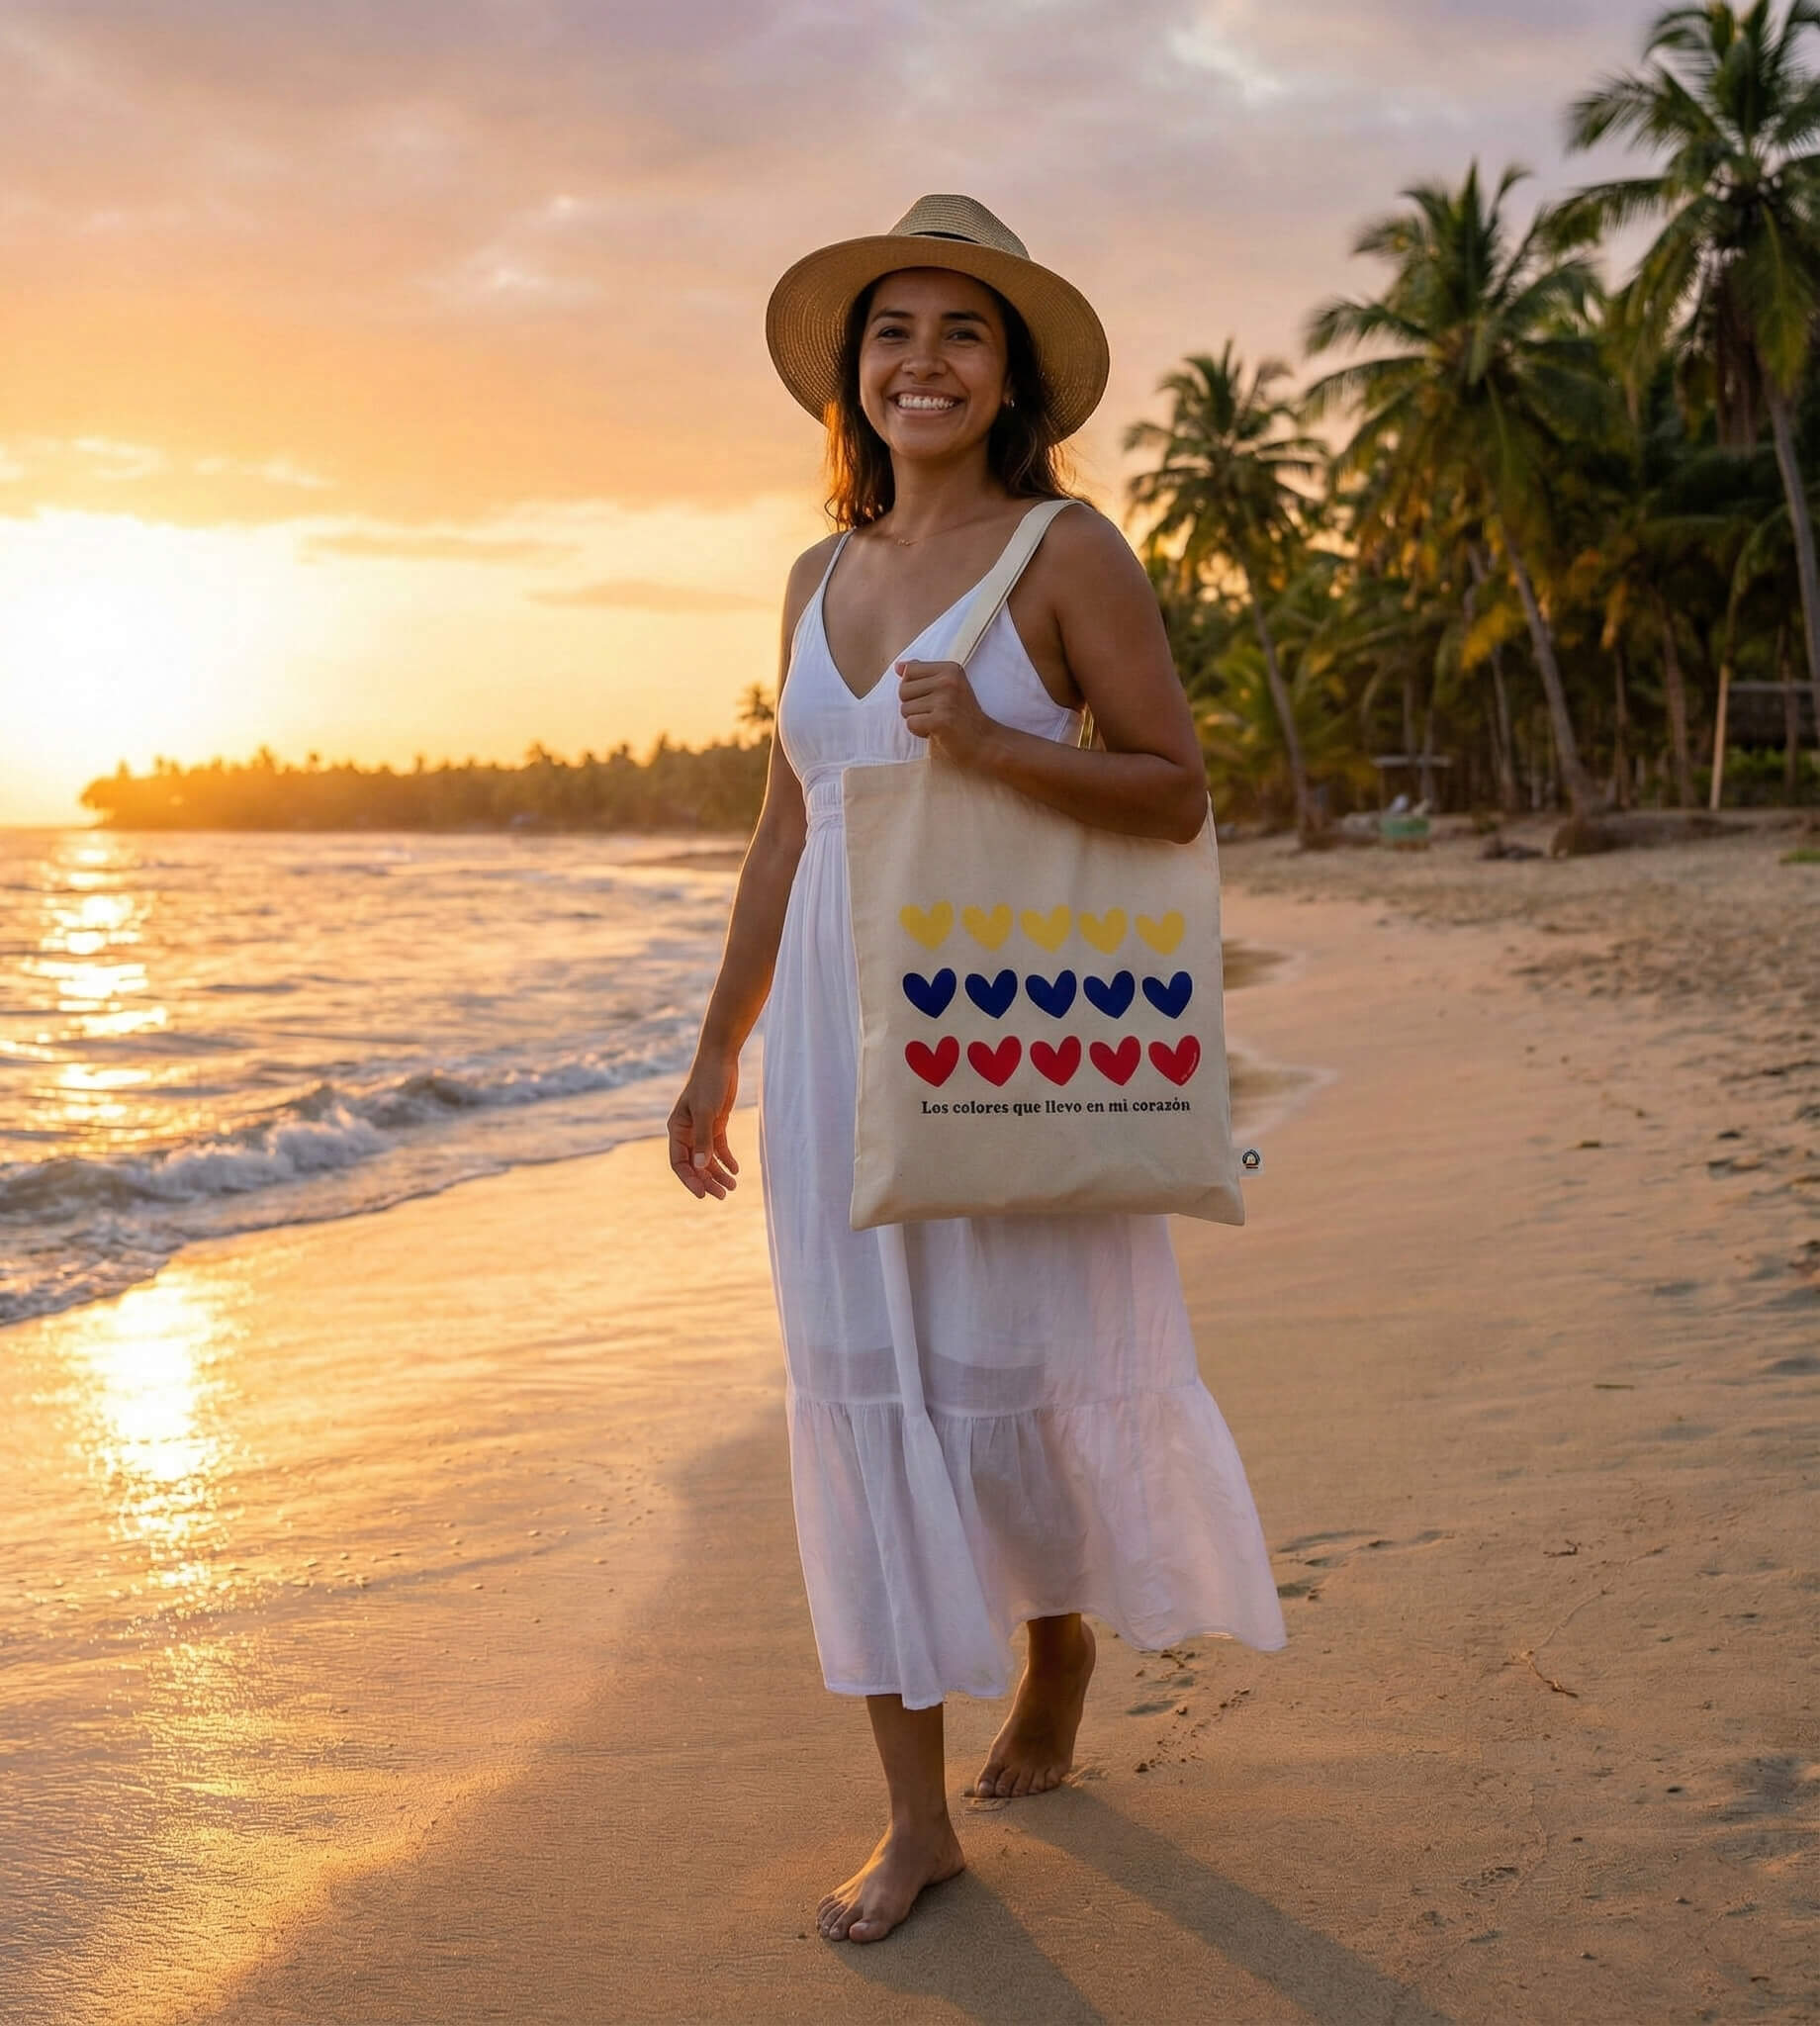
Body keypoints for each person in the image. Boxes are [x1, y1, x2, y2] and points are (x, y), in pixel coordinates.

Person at [667, 195, 1287, 1946]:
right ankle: (914, 1820)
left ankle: (1059, 1639)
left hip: (1005, 1029)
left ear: (1007, 378)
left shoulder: (1067, 550)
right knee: (867, 1401)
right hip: (832, 1062)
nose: (920, 361)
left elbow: (1174, 788)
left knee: (1005, 1374)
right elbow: (785, 826)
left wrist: (1004, 744)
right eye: (892, 332)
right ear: (850, 381)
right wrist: (717, 1047)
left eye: (961, 333)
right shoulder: (812, 578)